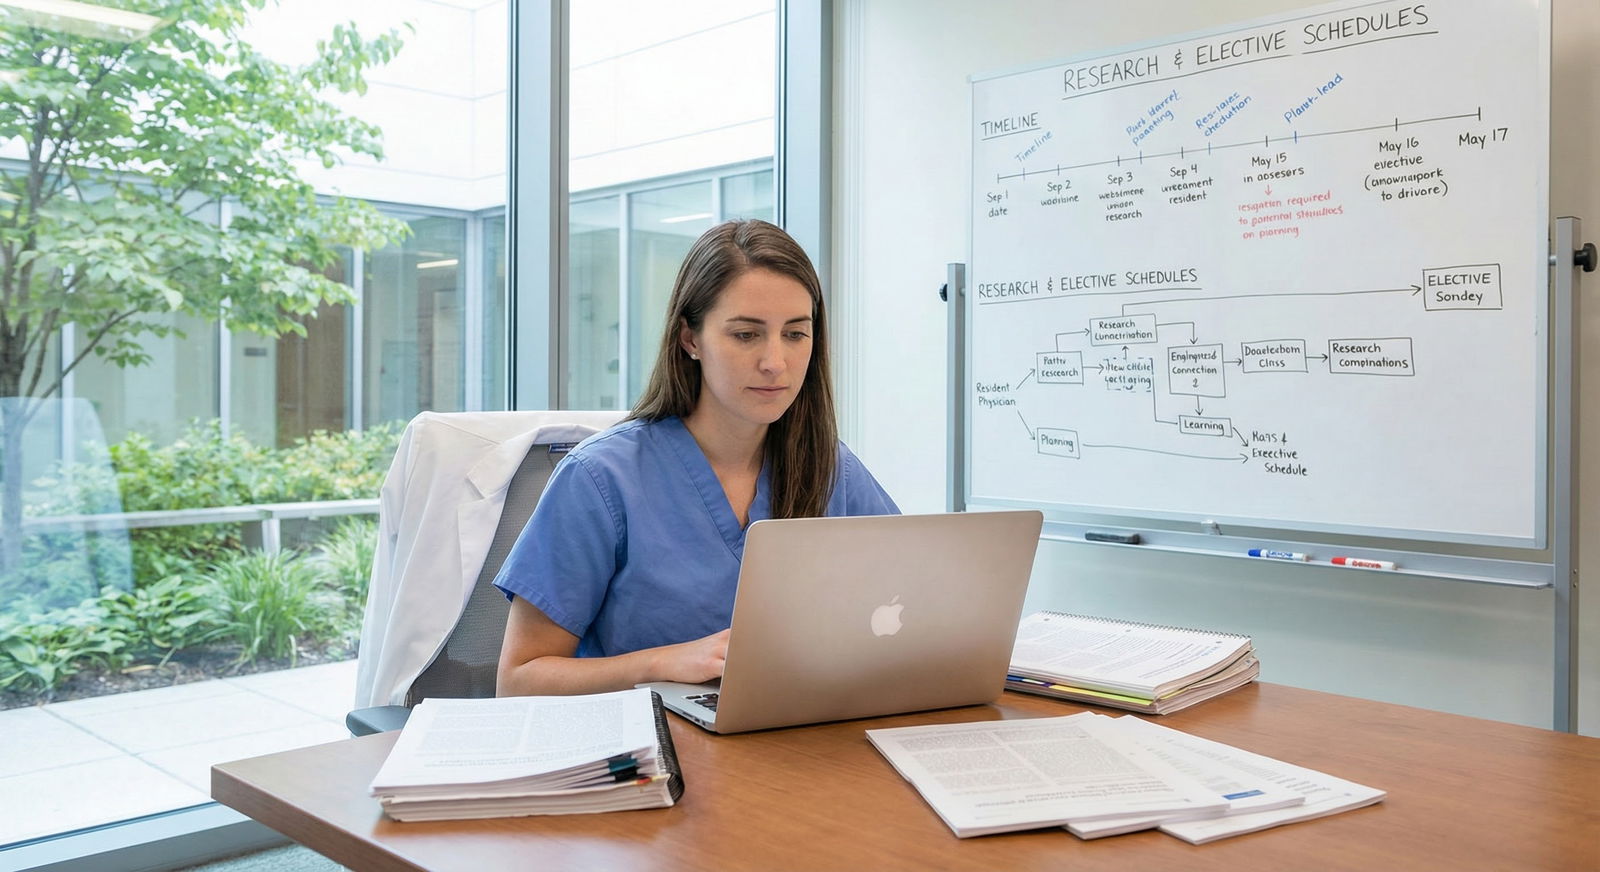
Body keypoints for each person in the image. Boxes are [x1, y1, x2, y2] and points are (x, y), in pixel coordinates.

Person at [494, 219, 899, 696]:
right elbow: (519, 680)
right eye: (746, 335)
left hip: (801, 740)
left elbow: (907, 611)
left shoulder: (832, 468)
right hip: (661, 755)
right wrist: (662, 663)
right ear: (690, 339)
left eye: (795, 334)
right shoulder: (601, 480)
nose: (775, 362)